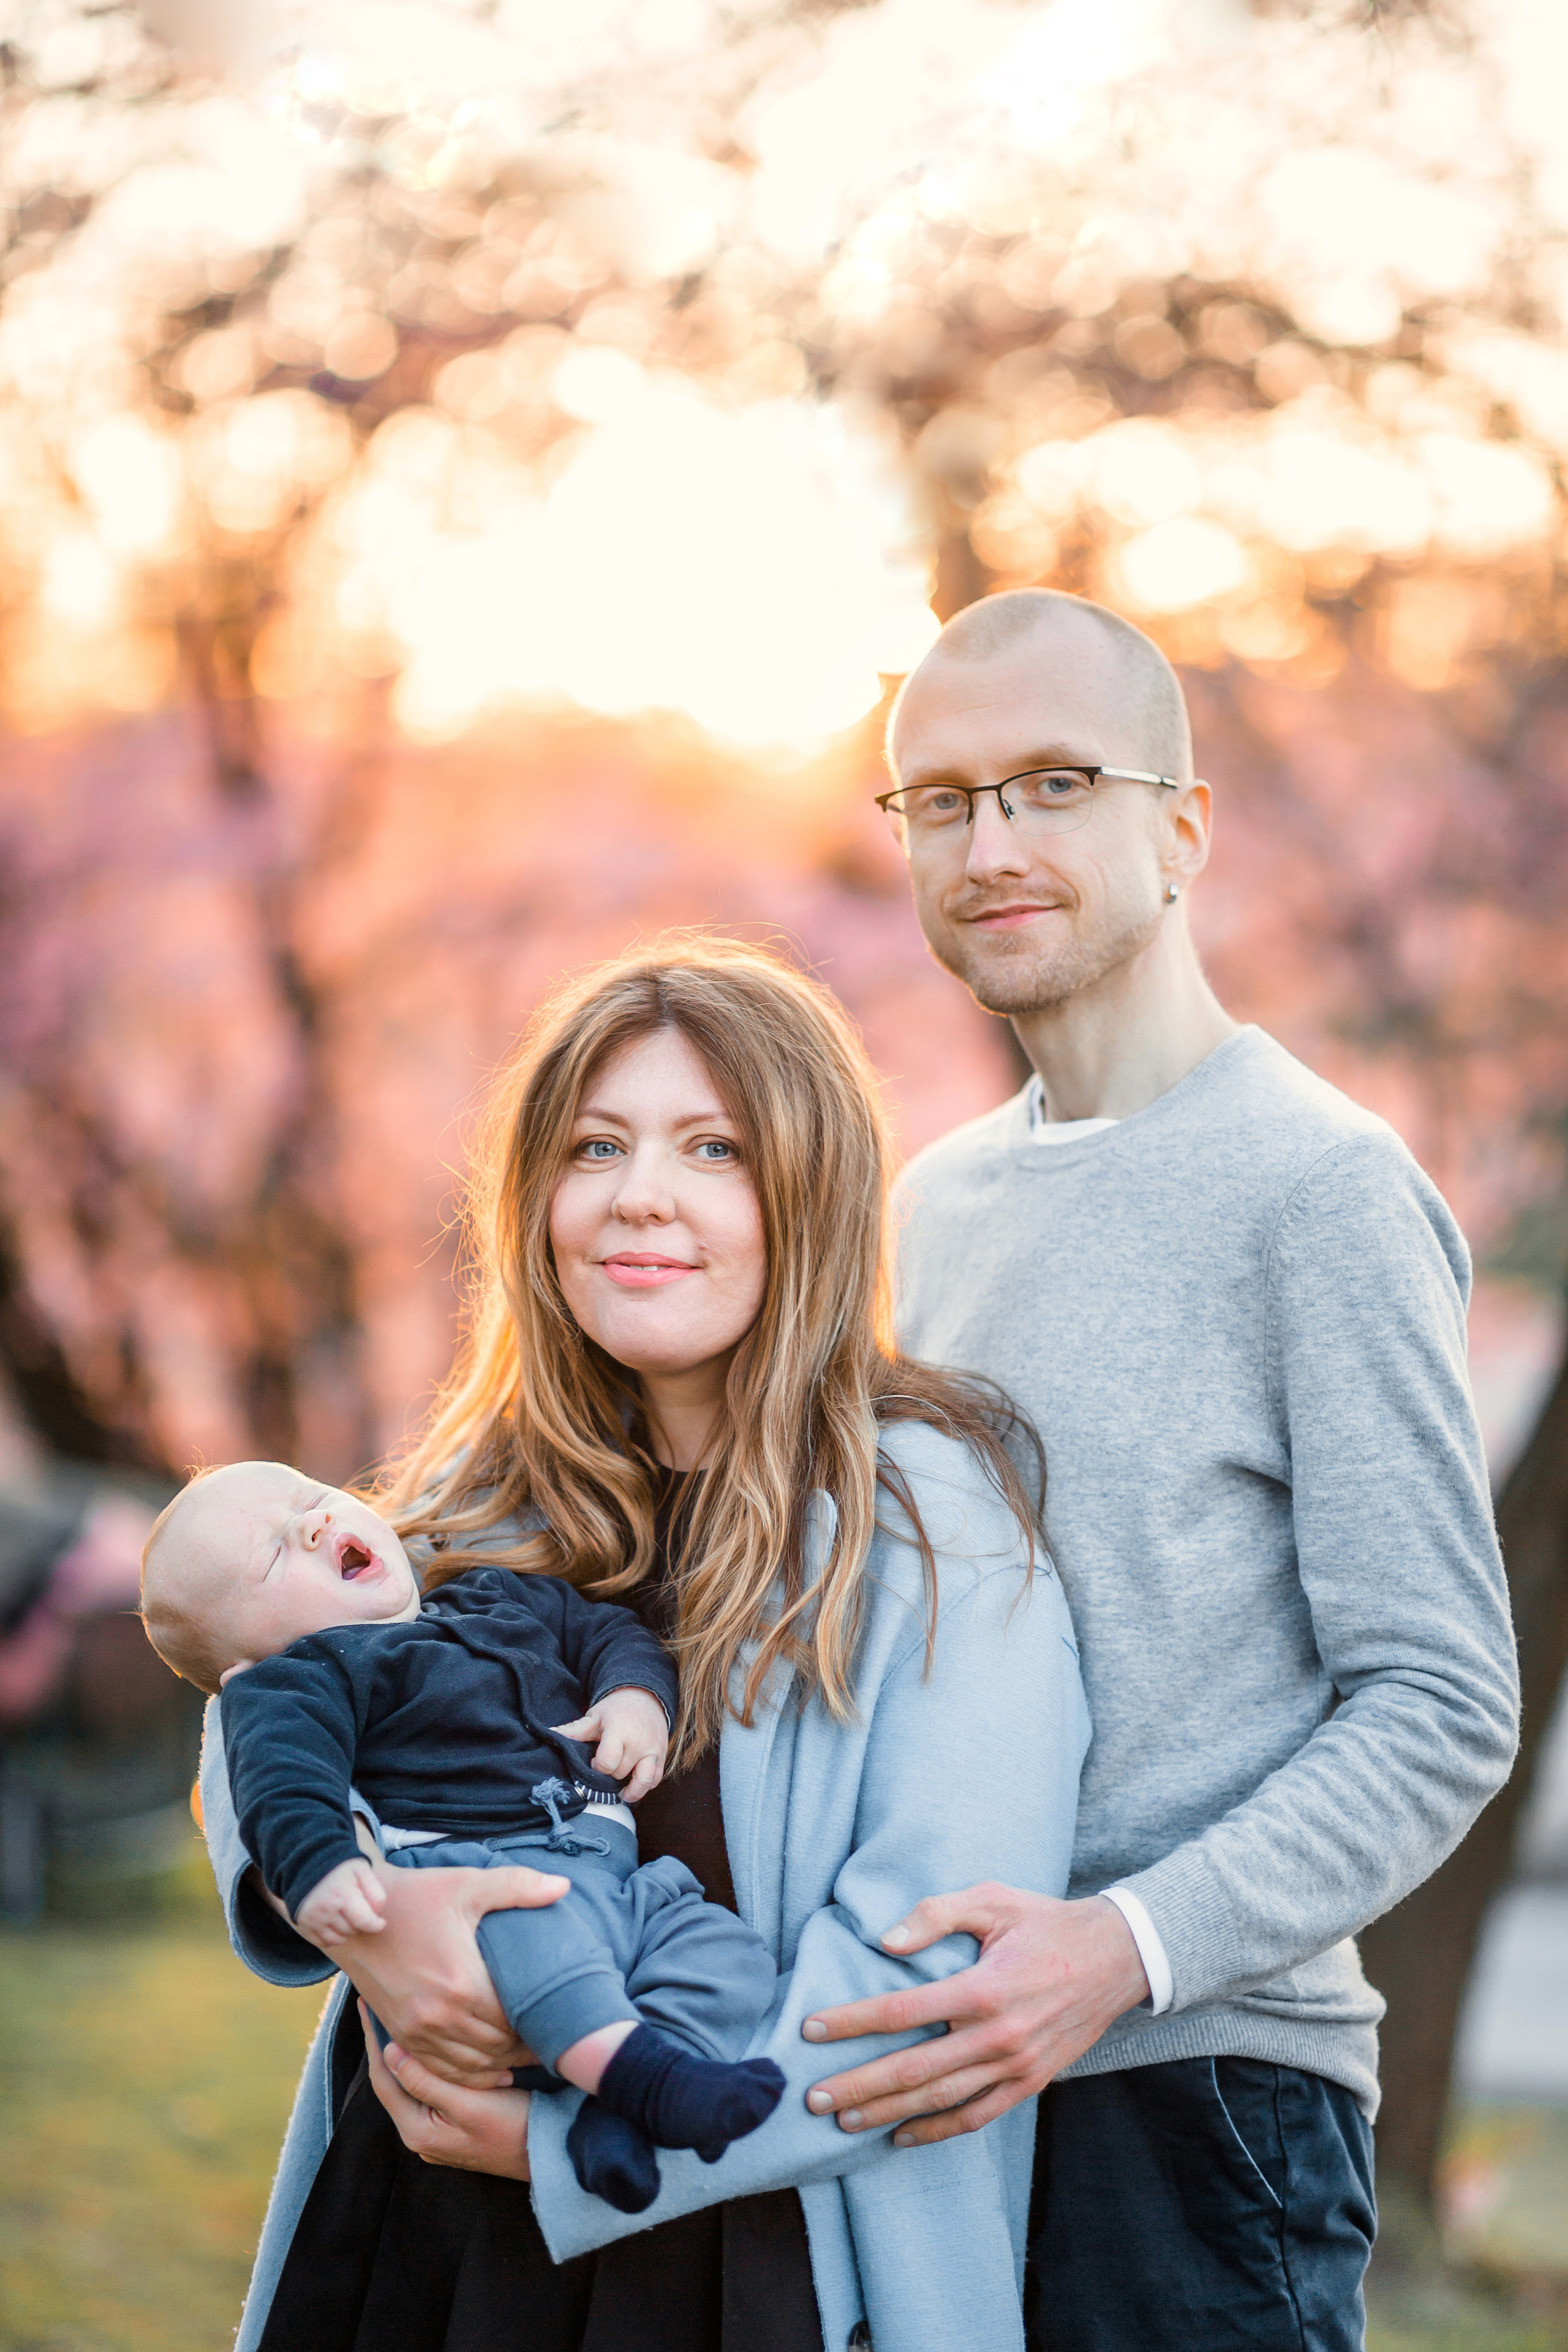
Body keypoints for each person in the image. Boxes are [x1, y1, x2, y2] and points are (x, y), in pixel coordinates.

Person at [797, 588, 1522, 2351]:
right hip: (941, 2090)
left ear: (1182, 827)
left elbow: (1442, 1699)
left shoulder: (1318, 1191)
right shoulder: (935, 1204)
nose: (994, 843)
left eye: (1054, 783)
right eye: (946, 800)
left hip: (1198, 2110)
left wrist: (1118, 1948)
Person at [195, 941, 1091, 2352]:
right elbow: (255, 1687)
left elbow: (927, 1983)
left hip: (734, 2258)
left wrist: (558, 2146)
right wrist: (367, 1924)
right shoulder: (488, 1490)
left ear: (811, 1192)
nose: (637, 1194)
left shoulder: (928, 1525)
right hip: (415, 2250)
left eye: (712, 1146)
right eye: (593, 1144)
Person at [141, 1458, 786, 2214]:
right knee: (538, 1934)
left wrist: (633, 1695)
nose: (315, 1522)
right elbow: (283, 1786)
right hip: (484, 1877)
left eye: (314, 1499)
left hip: (618, 1884)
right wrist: (325, 1871)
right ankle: (636, 2072)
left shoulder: (493, 1593)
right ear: (243, 1664)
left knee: (722, 1948)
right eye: (276, 1552)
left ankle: (622, 2111)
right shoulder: (299, 1680)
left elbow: (606, 1629)